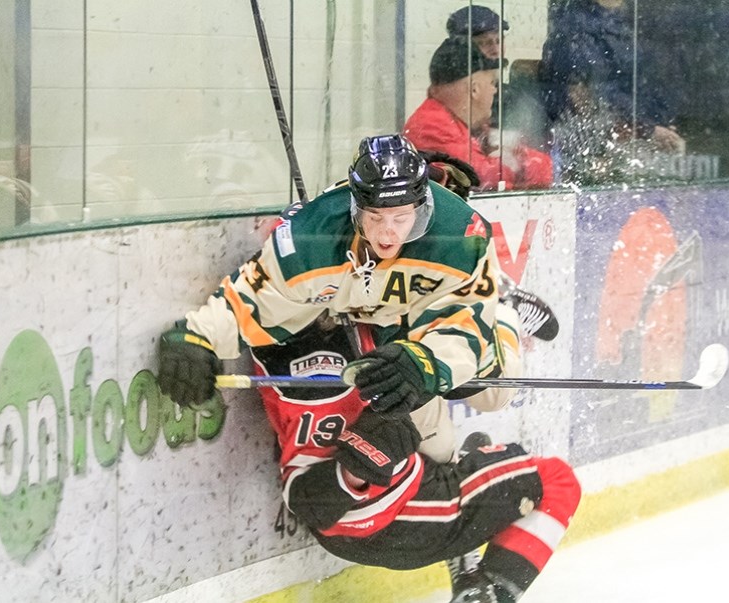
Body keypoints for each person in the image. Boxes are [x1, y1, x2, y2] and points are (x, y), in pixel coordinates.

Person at [157, 134, 579, 602]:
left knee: (492, 389)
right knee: (436, 449)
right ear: (356, 205)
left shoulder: (460, 235)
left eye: (401, 219)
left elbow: (465, 329)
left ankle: (507, 303)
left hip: (431, 319)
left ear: (422, 206)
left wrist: (428, 364)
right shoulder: (312, 239)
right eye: (375, 217)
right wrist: (196, 337)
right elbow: (249, 300)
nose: (388, 233)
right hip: (371, 324)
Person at [540, 0, 685, 184]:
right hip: (586, 151)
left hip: (627, 142)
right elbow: (588, 97)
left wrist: (659, 120)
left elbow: (642, 85)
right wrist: (646, 129)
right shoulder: (575, 31)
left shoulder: (626, 24)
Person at [404, 36, 553, 192]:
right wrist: (517, 164)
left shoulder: (467, 127)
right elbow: (479, 178)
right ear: (474, 89)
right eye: (492, 83)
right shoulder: (432, 126)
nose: (495, 91)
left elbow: (545, 168)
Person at [445, 5, 551, 152]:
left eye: (498, 41)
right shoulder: (451, 101)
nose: (496, 50)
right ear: (461, 50)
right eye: (483, 43)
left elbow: (542, 154)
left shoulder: (517, 100)